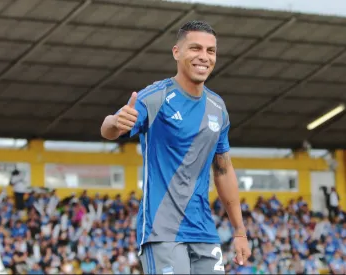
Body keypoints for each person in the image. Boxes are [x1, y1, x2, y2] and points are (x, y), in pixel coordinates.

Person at [100, 20, 250, 274]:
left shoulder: (218, 108)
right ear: (176, 52)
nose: (204, 57)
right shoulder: (155, 96)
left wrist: (239, 231)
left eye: (210, 51)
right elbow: (108, 129)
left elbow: (223, 170)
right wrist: (115, 122)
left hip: (204, 231)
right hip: (162, 231)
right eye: (195, 48)